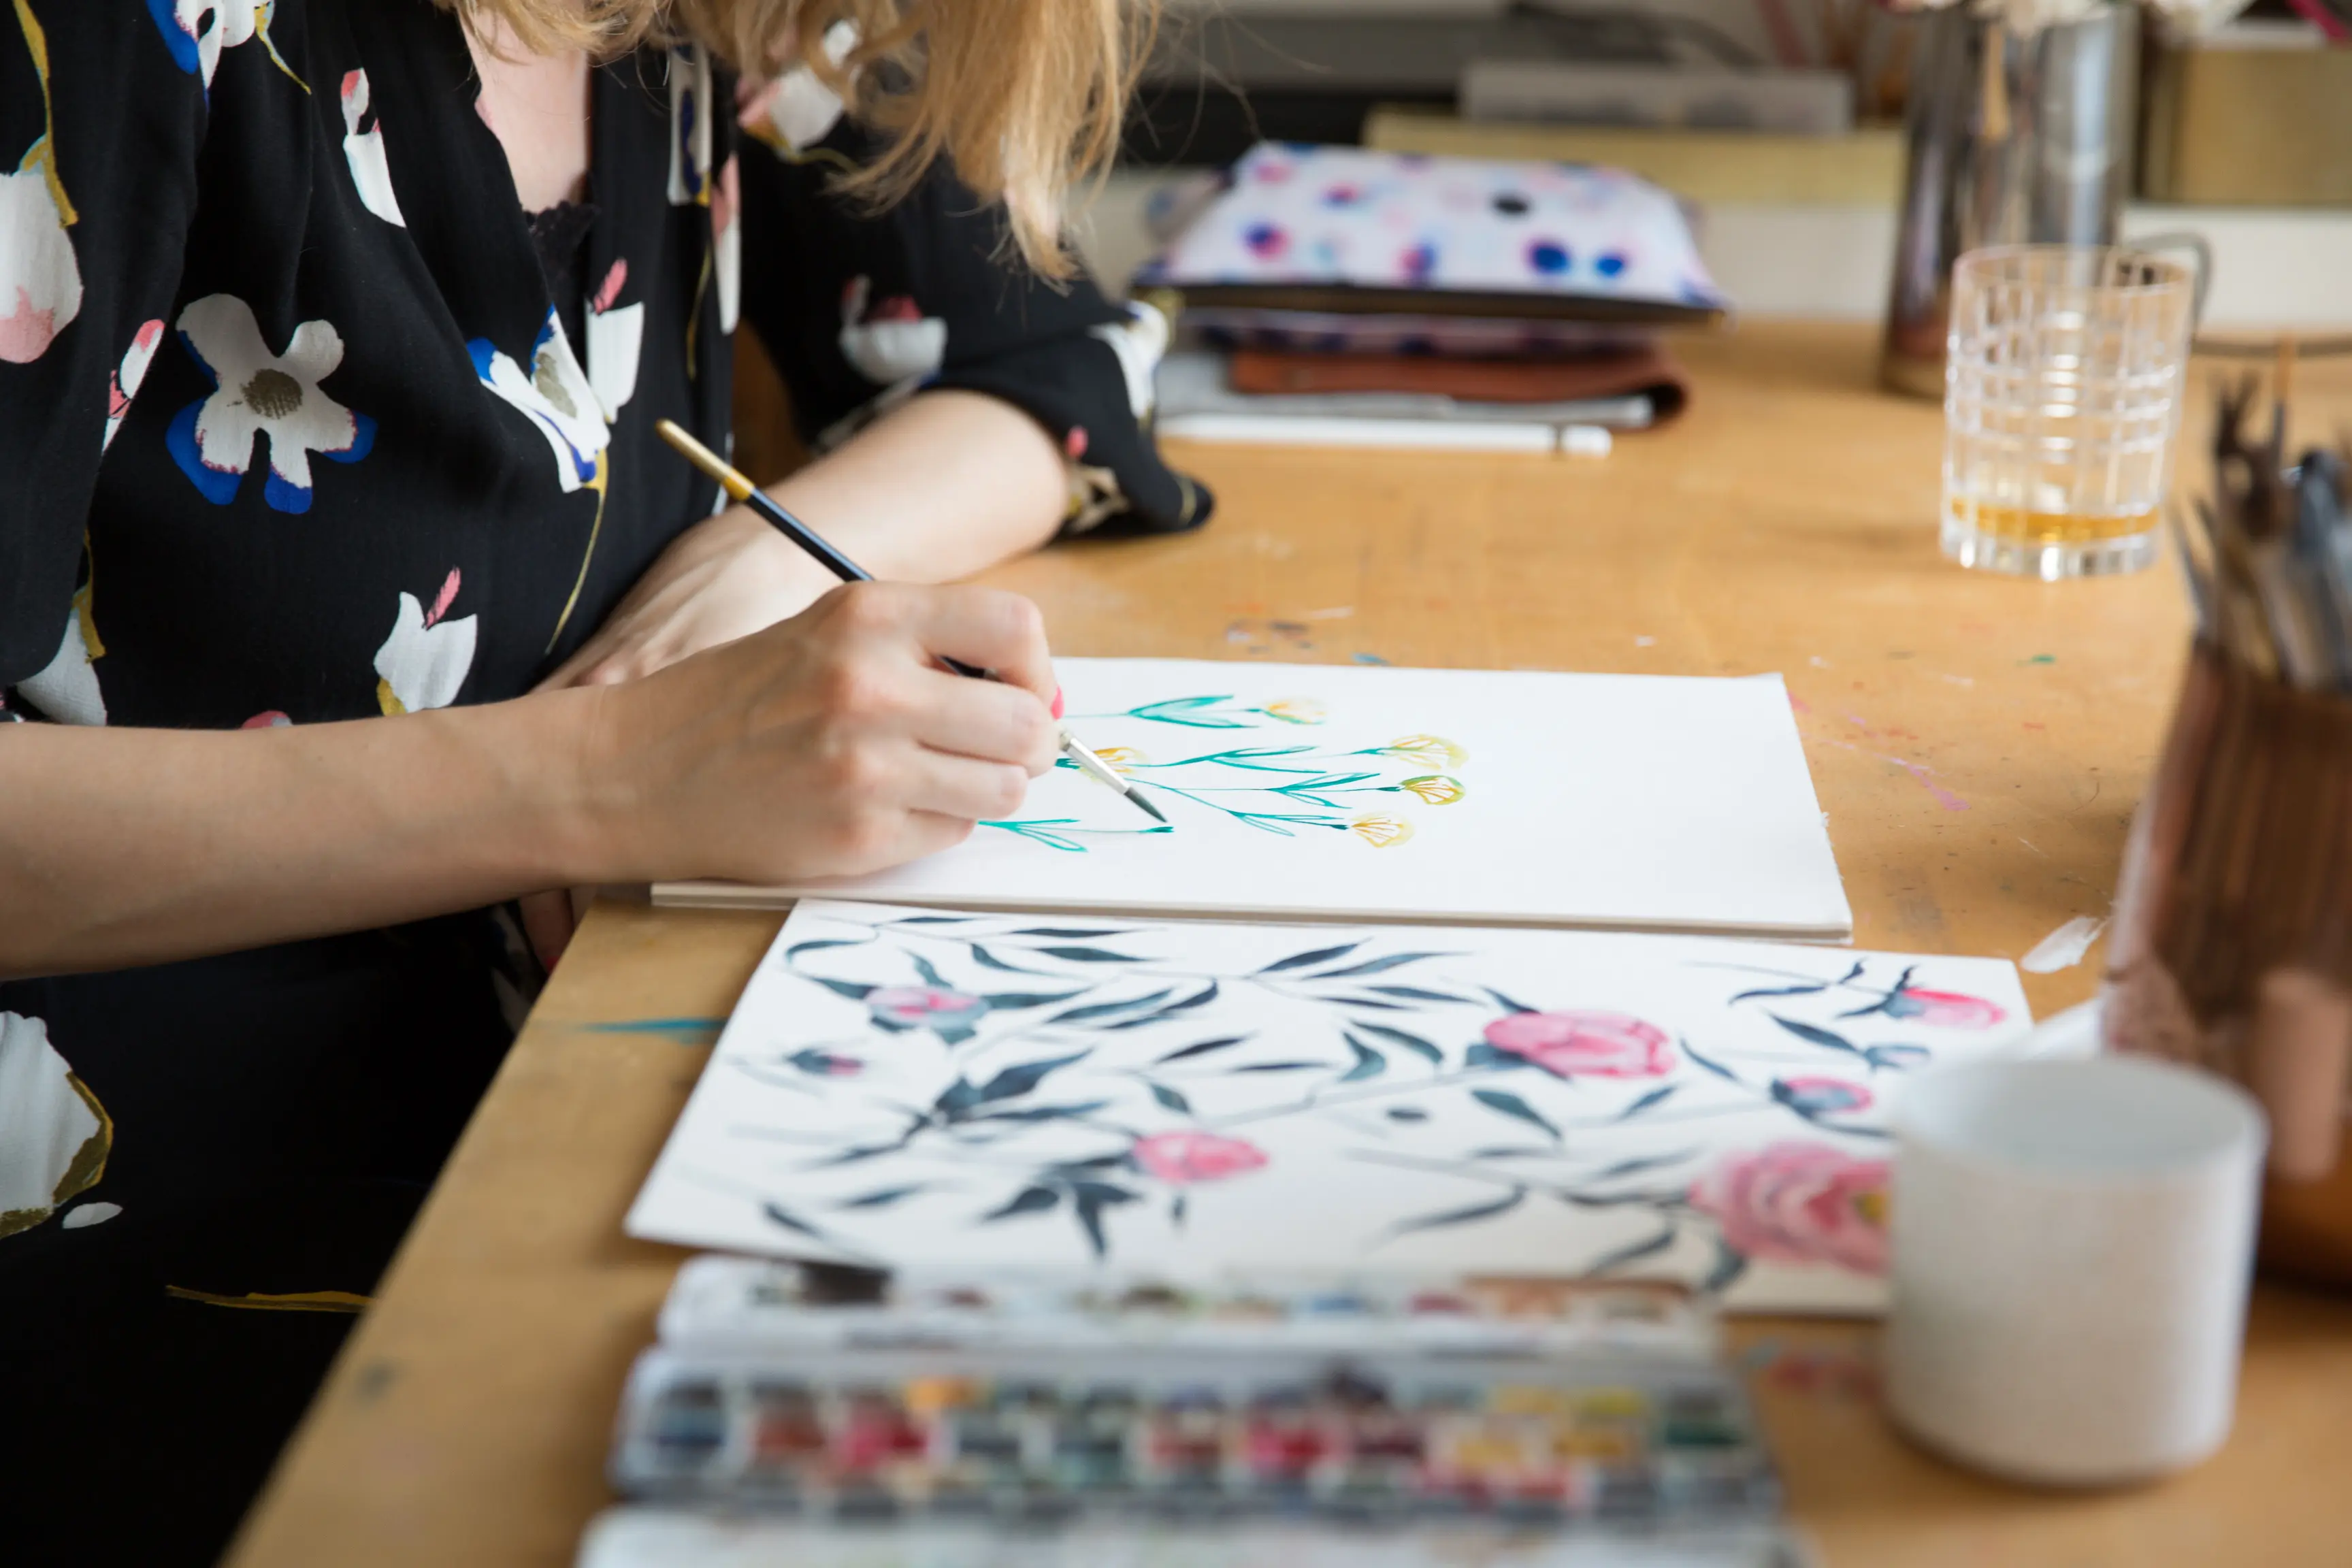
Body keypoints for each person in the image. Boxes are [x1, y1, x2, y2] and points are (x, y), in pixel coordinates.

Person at [0, 0, 1202, 1559]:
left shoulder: (725, 22)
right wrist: (602, 772)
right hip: (128, 1248)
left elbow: (1052, 367)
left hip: (562, 1110)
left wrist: (750, 575)